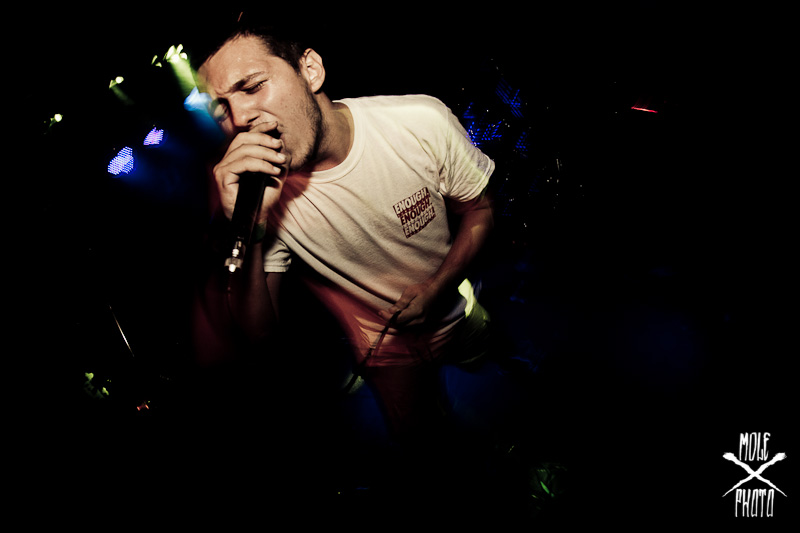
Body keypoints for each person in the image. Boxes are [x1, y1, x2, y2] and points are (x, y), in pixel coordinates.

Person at [189, 17, 496, 486]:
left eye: (252, 86)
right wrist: (249, 226)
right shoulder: (263, 196)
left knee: (497, 399)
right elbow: (259, 335)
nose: (241, 117)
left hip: (456, 312)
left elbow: (480, 209)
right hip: (385, 353)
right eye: (221, 109)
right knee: (428, 455)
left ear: (310, 70)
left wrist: (438, 287)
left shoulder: (417, 121)